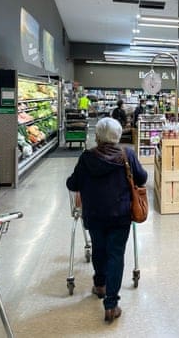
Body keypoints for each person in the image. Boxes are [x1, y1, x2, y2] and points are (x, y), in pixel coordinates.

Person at [66, 117, 147, 323]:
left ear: (98, 136)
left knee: (99, 250)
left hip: (94, 215)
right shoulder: (126, 154)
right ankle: (111, 304)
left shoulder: (86, 157)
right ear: (117, 135)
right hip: (120, 215)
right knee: (115, 255)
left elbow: (73, 183)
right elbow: (142, 177)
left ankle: (100, 285)